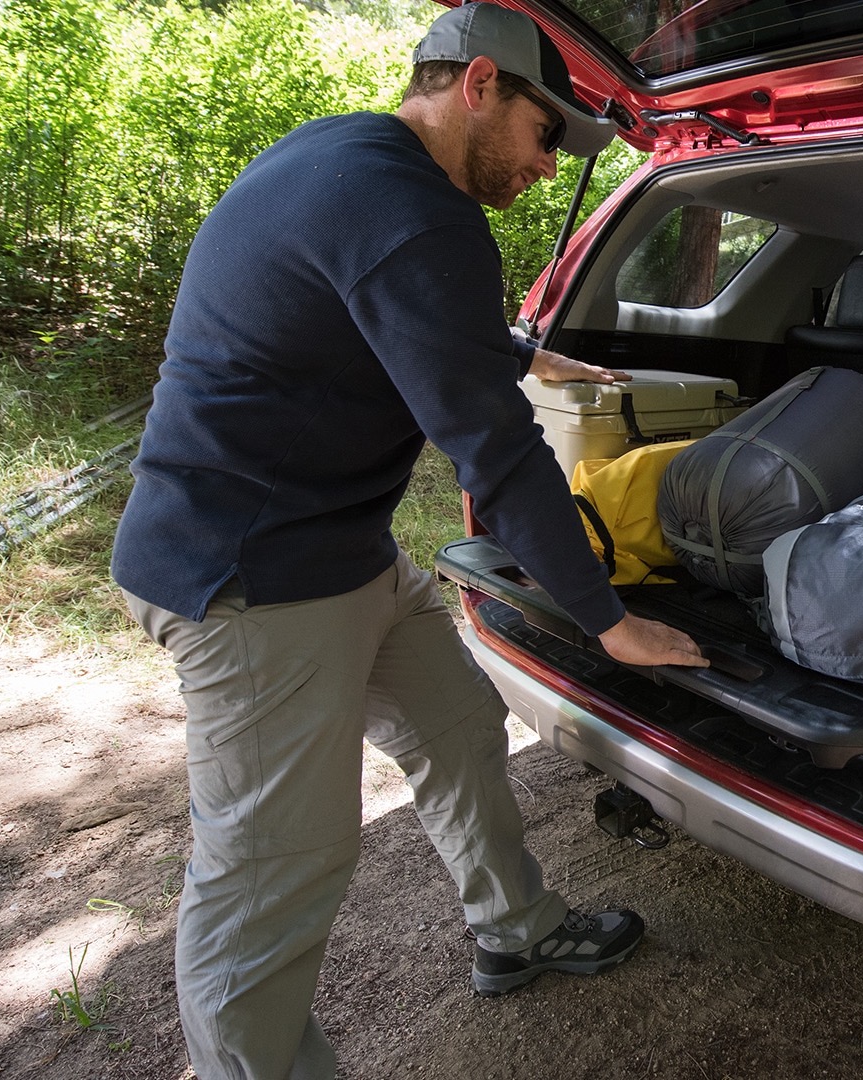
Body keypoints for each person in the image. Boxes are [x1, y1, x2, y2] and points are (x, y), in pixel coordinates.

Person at [110, 4, 708, 1077]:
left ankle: (516, 930)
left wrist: (521, 348)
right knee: (274, 868)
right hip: (252, 579)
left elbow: (391, 308)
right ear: (480, 83)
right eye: (545, 136)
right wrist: (606, 620)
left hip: (334, 549)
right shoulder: (410, 209)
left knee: (459, 730)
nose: (545, 165)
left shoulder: (352, 157)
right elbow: (496, 451)